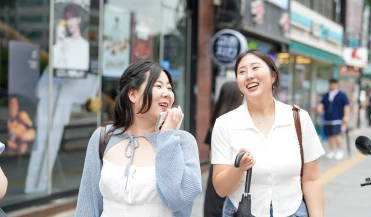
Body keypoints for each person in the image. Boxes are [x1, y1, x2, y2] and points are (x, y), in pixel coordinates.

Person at [75, 61, 202, 217]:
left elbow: (176, 200)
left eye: (169, 88)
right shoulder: (103, 138)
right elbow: (88, 204)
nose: (168, 93)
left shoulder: (182, 142)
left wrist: (167, 135)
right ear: (133, 94)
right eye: (159, 86)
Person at [211, 49, 325, 217]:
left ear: (273, 76)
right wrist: (239, 168)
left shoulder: (299, 118)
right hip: (243, 212)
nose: (249, 75)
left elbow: (312, 179)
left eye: (255, 68)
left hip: (292, 211)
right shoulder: (225, 124)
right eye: (242, 72)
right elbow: (221, 189)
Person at [203, 81, 243, 217]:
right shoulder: (240, 122)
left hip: (216, 182)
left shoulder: (216, 121)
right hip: (236, 181)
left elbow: (211, 157)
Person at [318, 79, 350, 160]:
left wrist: (346, 116)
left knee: (337, 135)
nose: (331, 86)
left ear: (337, 84)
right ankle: (331, 150)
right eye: (330, 84)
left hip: (337, 118)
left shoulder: (342, 95)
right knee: (329, 136)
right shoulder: (326, 95)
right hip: (327, 118)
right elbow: (322, 104)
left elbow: (346, 106)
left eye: (333, 84)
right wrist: (319, 108)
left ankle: (339, 150)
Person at [53, 3, 89, 71]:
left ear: (78, 20)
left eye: (72, 18)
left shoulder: (85, 46)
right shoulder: (61, 43)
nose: (69, 22)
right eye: (67, 19)